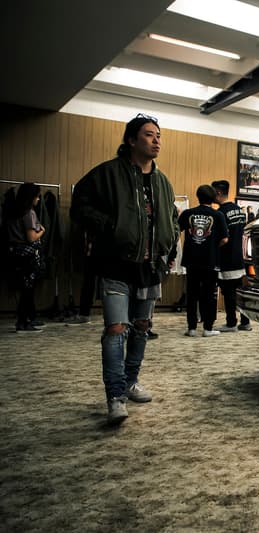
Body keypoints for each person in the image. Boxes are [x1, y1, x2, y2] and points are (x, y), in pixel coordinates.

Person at [70, 113, 179, 425]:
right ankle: (115, 395)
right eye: (148, 134)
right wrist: (110, 226)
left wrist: (167, 248)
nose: (156, 140)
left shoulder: (162, 181)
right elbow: (81, 204)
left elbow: (171, 217)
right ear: (131, 140)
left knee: (142, 328)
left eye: (158, 135)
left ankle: (131, 381)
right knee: (116, 329)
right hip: (116, 265)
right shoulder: (108, 174)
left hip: (149, 269)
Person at [179, 184, 229, 338]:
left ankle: (192, 328)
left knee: (192, 294)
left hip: (191, 259)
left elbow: (176, 231)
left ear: (197, 196)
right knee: (209, 295)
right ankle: (208, 328)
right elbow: (225, 239)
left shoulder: (188, 213)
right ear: (213, 198)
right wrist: (212, 246)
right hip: (210, 261)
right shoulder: (218, 215)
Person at [211, 179, 252, 332]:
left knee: (229, 293)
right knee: (240, 292)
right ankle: (245, 322)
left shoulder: (220, 213)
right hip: (239, 258)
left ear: (218, 192)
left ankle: (231, 323)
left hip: (226, 258)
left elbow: (221, 238)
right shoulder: (240, 211)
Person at [6, 182, 46, 332]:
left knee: (23, 289)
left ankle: (26, 319)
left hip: (14, 253)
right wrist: (42, 230)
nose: (39, 199)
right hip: (27, 256)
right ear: (31, 197)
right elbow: (31, 237)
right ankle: (23, 322)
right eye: (37, 196)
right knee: (27, 290)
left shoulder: (11, 211)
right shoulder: (29, 213)